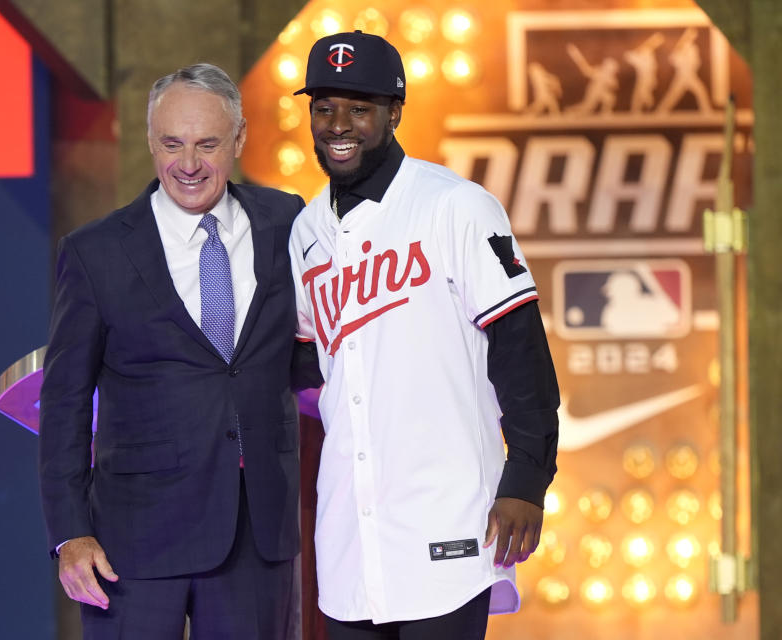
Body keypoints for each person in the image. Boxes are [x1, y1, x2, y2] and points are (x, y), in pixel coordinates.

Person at [289, 31, 560, 640]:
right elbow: (313, 372)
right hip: (349, 538)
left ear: (394, 112)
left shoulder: (456, 207)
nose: (339, 125)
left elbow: (522, 354)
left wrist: (526, 479)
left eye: (359, 108)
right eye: (324, 107)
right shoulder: (305, 230)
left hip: (450, 517)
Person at [39, 63, 313, 640]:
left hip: (256, 534)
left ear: (238, 139)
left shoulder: (289, 223)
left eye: (207, 144)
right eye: (172, 144)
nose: (188, 165)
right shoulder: (96, 253)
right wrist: (70, 533)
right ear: (150, 140)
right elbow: (63, 402)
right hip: (131, 541)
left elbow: (313, 357)